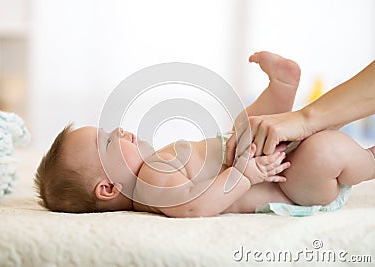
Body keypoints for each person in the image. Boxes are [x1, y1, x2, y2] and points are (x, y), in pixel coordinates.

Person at [34, 51, 375, 217]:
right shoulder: (152, 187)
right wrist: (243, 173)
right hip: (292, 186)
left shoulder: (155, 166)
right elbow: (196, 209)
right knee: (324, 152)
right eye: (109, 141)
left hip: (266, 160)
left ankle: (281, 87)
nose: (121, 129)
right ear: (108, 188)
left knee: (246, 126)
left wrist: (237, 151)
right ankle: (369, 161)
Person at [226, 59, 375, 163]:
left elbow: (213, 200)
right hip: (255, 165)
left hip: (238, 156)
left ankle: (282, 86)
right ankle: (282, 86)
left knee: (253, 125)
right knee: (255, 125)